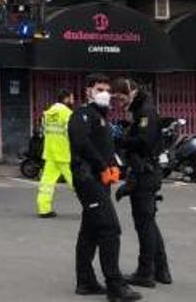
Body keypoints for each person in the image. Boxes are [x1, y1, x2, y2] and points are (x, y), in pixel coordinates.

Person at [68, 74, 141, 302]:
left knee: (90, 230)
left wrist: (115, 166)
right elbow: (81, 143)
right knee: (110, 229)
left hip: (101, 180)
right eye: (100, 88)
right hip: (87, 179)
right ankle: (115, 285)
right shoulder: (81, 115)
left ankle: (85, 281)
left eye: (107, 90)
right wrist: (102, 166)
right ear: (88, 91)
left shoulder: (102, 117)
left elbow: (105, 146)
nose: (104, 93)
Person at [113, 78, 172, 288]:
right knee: (148, 223)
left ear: (132, 91)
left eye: (121, 97)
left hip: (146, 173)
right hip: (144, 172)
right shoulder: (139, 111)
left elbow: (144, 142)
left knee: (144, 224)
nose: (119, 102)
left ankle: (146, 272)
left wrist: (120, 140)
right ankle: (161, 270)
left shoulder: (145, 111)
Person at [36, 89, 75, 219]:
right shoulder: (67, 113)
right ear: (66, 99)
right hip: (65, 153)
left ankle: (44, 209)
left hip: (50, 153)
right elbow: (72, 134)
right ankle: (92, 208)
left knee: (46, 183)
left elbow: (44, 132)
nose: (73, 101)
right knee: (78, 182)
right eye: (71, 98)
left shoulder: (48, 113)